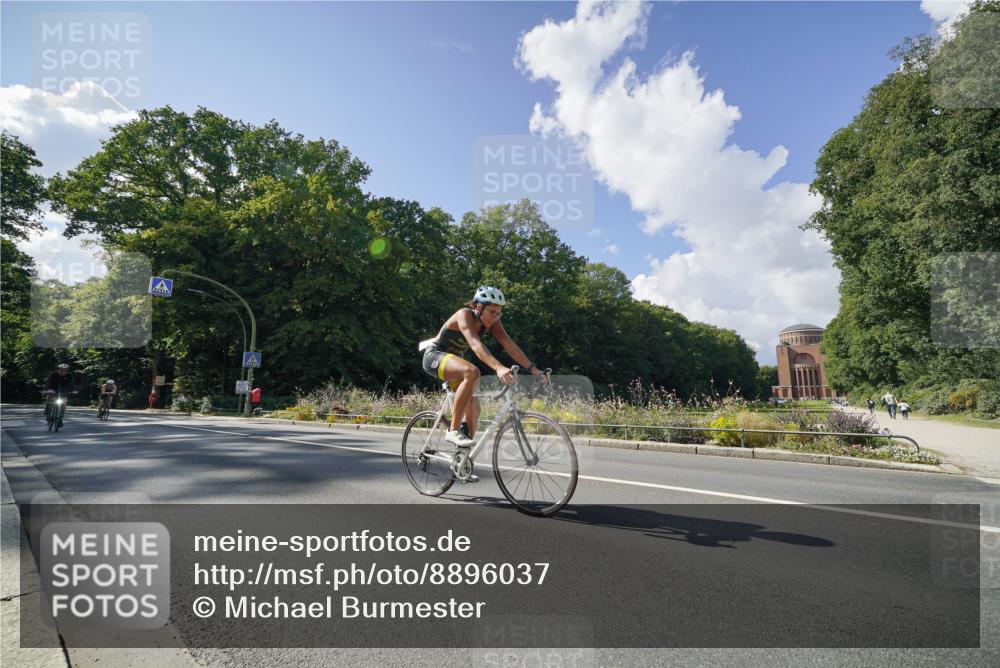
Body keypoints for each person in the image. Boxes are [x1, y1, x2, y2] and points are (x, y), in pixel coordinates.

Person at [420, 286, 546, 447]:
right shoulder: (464, 315)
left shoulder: (492, 322)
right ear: (479, 307)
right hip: (434, 356)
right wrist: (499, 367)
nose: (495, 317)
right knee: (472, 372)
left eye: (499, 313)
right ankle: (453, 429)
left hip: (455, 362)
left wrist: (532, 368)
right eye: (492, 312)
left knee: (474, 406)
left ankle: (463, 455)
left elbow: (510, 346)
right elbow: (475, 344)